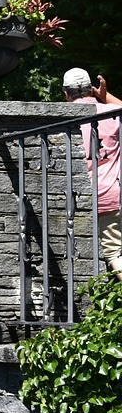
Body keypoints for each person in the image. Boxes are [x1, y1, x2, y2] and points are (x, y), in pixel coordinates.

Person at [64, 68, 122, 278]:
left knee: (115, 253)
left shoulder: (66, 119)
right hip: (118, 188)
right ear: (92, 90)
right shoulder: (111, 113)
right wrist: (105, 96)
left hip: (99, 195)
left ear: (66, 93)